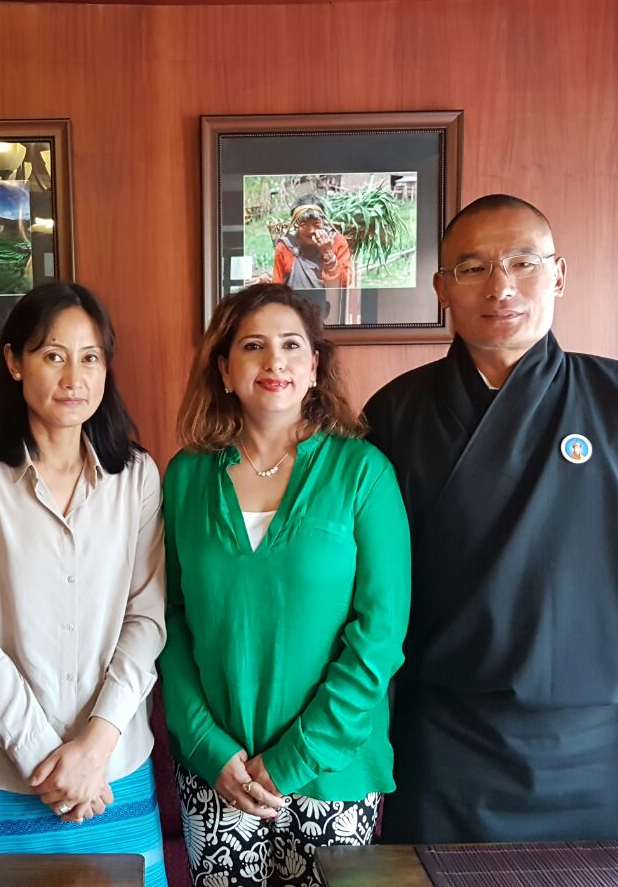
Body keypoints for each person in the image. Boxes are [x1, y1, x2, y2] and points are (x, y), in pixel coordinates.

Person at [364, 193, 618, 843]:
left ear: (559, 274)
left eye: (524, 262)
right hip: (445, 742)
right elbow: (367, 592)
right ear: (442, 287)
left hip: (598, 751)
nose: (501, 286)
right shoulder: (397, 413)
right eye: (473, 268)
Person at [160, 283, 410, 886]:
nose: (275, 362)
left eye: (292, 345)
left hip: (333, 770)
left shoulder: (363, 472)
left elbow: (380, 635)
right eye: (253, 346)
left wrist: (295, 758)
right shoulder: (186, 476)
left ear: (315, 366)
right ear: (224, 369)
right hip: (220, 772)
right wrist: (209, 749)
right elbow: (166, 619)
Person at [0, 283, 168, 885]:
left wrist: (93, 750)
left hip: (111, 768)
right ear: (14, 361)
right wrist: (49, 763)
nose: (74, 377)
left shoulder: (136, 475)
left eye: (90, 358)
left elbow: (147, 618)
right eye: (52, 355)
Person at [266, 196, 359, 326]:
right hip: (294, 316)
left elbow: (344, 283)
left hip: (330, 315)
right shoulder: (285, 247)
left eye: (316, 224)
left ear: (324, 222)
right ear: (295, 224)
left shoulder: (337, 242)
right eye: (304, 224)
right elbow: (277, 287)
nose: (311, 231)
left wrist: (328, 254)